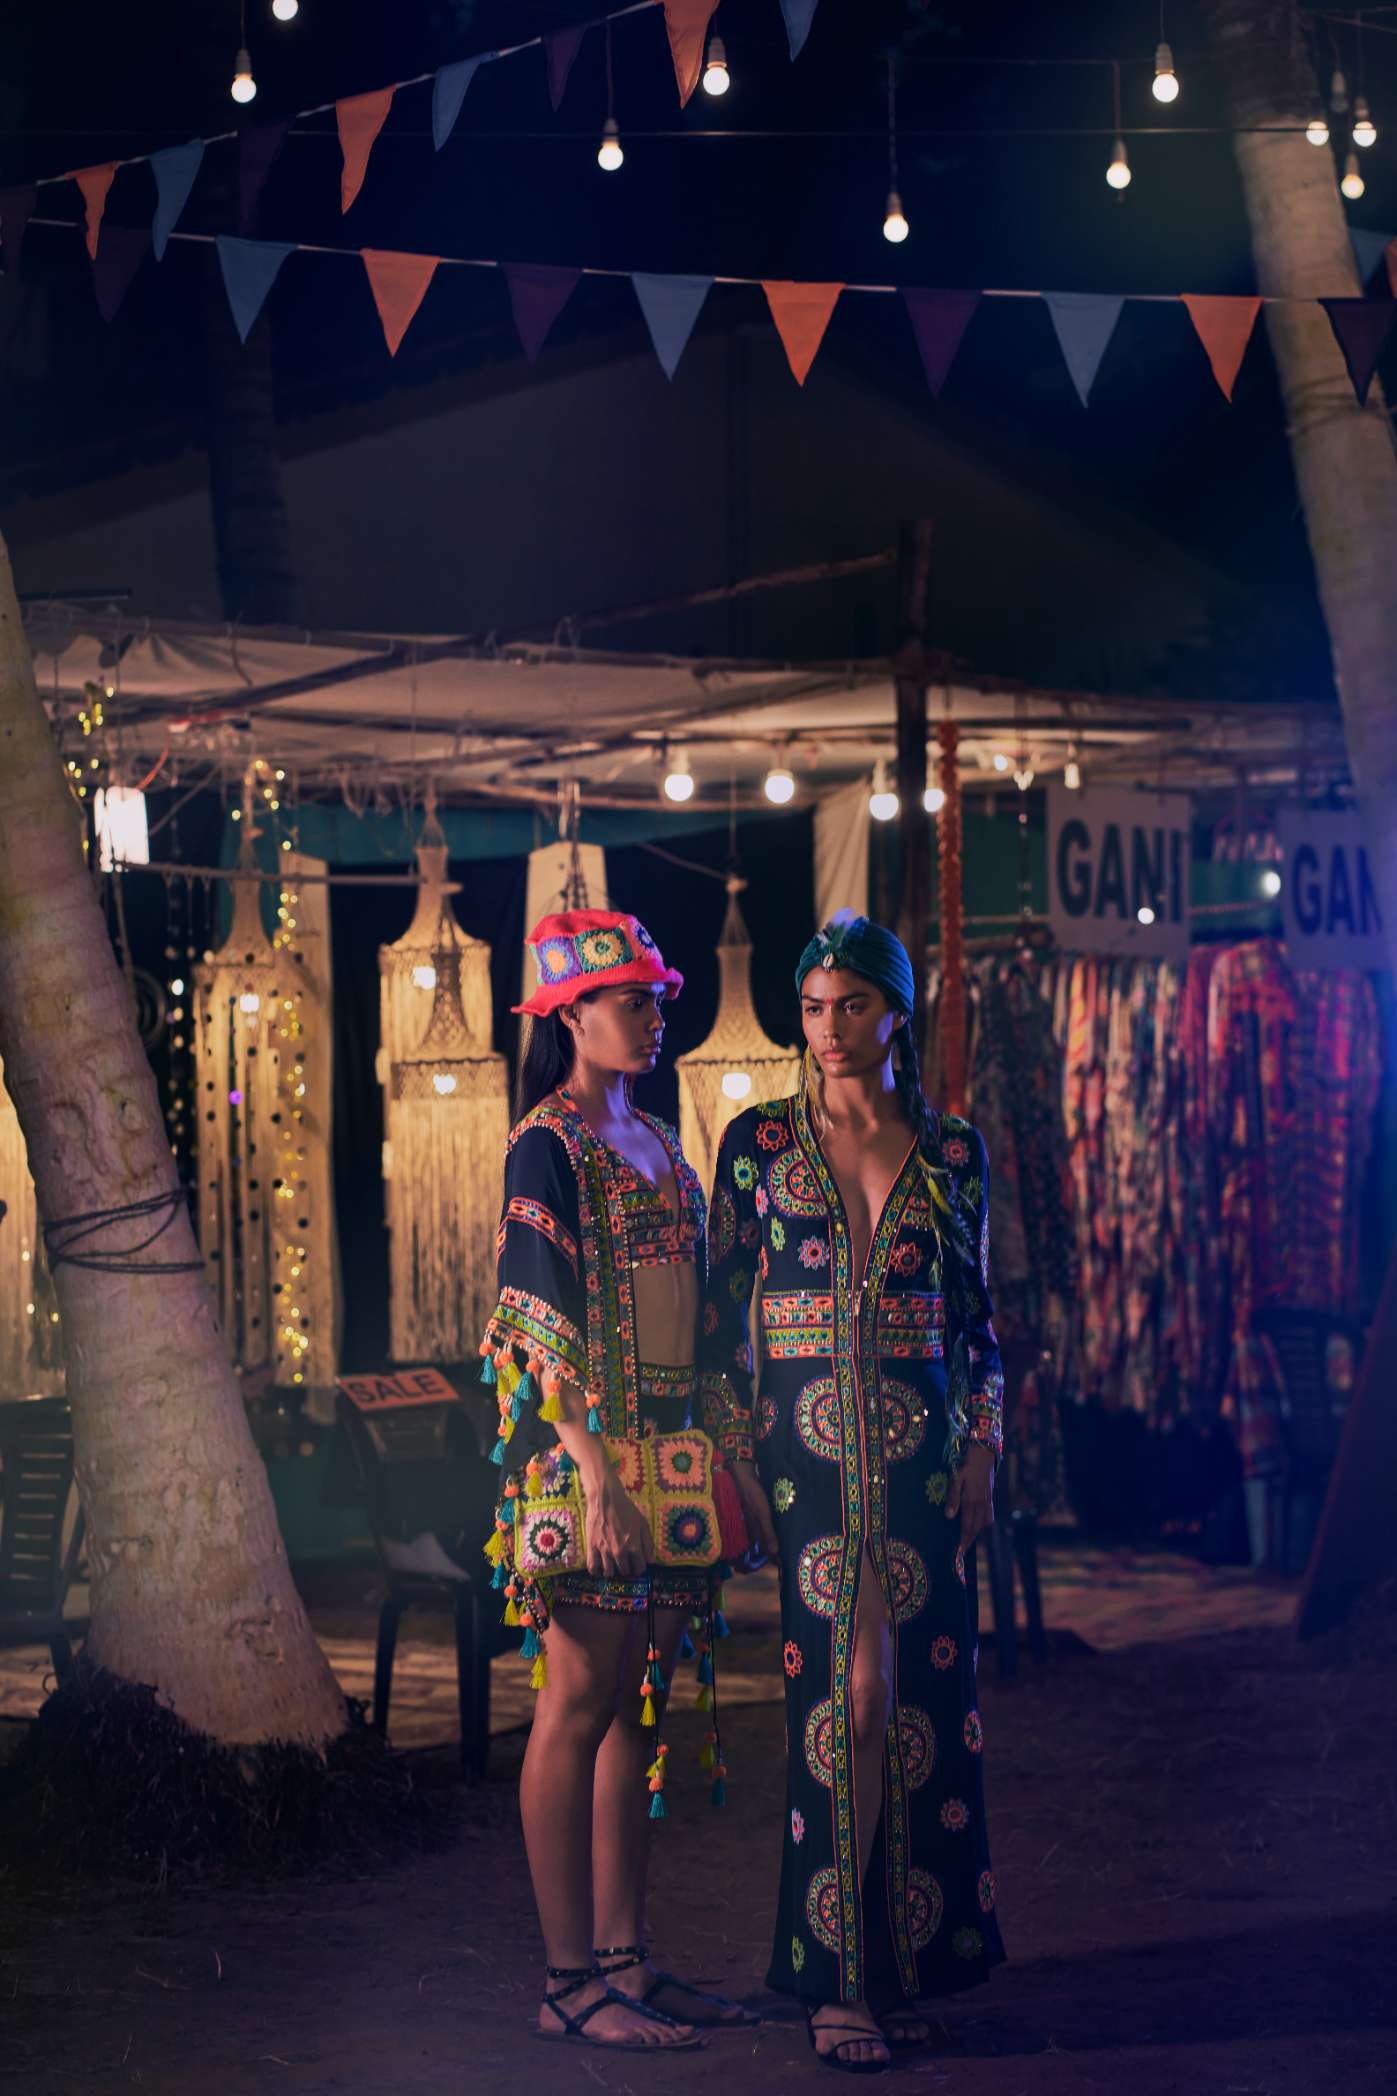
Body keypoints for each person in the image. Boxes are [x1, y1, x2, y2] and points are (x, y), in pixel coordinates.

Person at [702, 911, 1006, 2072]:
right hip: (807, 1463)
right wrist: (735, 1445)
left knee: (915, 1709)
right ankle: (833, 1978)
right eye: (814, 1006)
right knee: (851, 1699)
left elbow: (980, 1331)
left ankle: (891, 1966)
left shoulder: (954, 1152)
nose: (828, 1030)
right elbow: (718, 1309)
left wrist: (981, 1444)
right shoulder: (755, 1143)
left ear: (896, 1010)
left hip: (927, 1459)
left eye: (854, 1006)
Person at [482, 908, 752, 2054]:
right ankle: (563, 1977)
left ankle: (622, 1957)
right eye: (628, 1000)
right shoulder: (545, 1141)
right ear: (569, 1015)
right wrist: (592, 1471)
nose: (651, 1014)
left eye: (652, 996)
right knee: (577, 1701)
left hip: (668, 1459)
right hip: (587, 1460)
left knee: (632, 1711)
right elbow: (534, 1321)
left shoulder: (652, 1135)